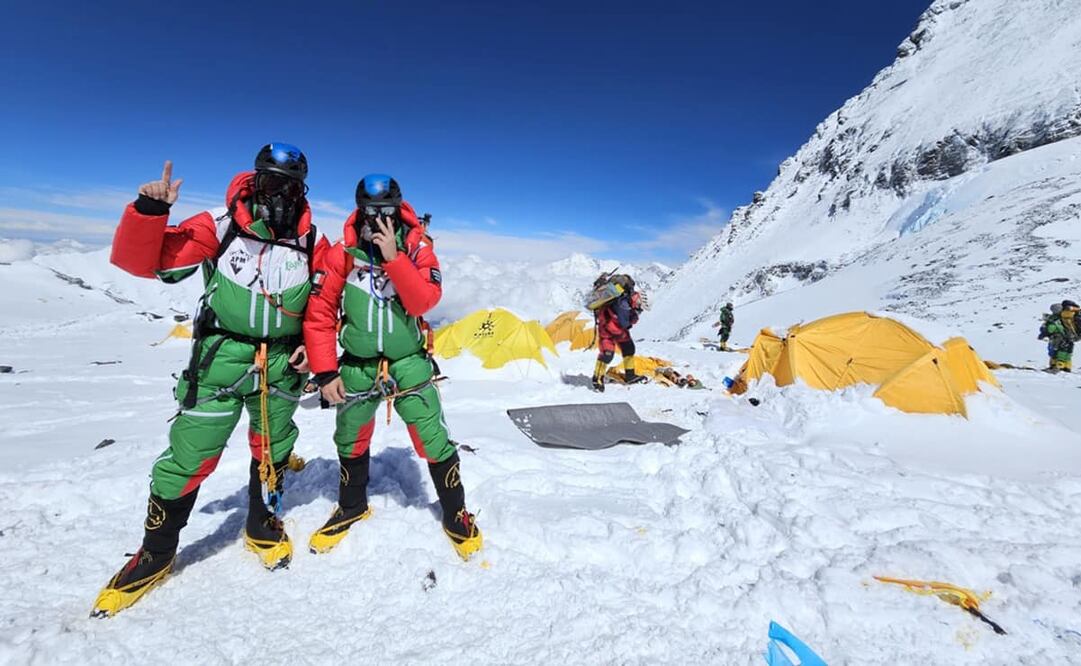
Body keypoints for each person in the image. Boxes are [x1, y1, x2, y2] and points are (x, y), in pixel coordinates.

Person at [92, 144, 325, 618]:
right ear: (253, 181)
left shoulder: (312, 240)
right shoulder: (221, 224)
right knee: (190, 454)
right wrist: (149, 211)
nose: (277, 193)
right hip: (220, 357)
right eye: (268, 181)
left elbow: (324, 303)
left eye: (288, 184)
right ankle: (155, 554)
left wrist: (313, 346)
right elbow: (148, 263)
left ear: (302, 190)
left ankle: (263, 523)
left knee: (274, 447)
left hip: (281, 363)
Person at [303, 174, 482, 560]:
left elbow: (423, 302)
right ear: (358, 211)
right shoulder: (343, 254)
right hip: (356, 364)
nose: (377, 220)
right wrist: (325, 371)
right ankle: (351, 506)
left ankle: (455, 512)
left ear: (399, 210)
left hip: (409, 361)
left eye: (385, 212)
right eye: (369, 212)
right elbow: (319, 314)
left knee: (432, 436)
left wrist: (393, 258)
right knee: (350, 436)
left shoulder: (418, 248)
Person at [590, 273, 646, 392]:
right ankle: (597, 378)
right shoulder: (624, 304)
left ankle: (630, 375)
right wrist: (634, 316)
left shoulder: (626, 300)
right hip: (608, 330)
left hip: (617, 329)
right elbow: (625, 323)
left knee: (629, 349)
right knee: (607, 354)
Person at [1039, 303, 1073, 372]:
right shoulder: (1067, 317)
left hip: (1058, 338)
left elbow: (1051, 329)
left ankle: (1056, 367)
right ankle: (1067, 367)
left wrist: (1046, 326)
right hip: (1069, 337)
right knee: (1067, 353)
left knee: (1056, 352)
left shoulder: (1055, 319)